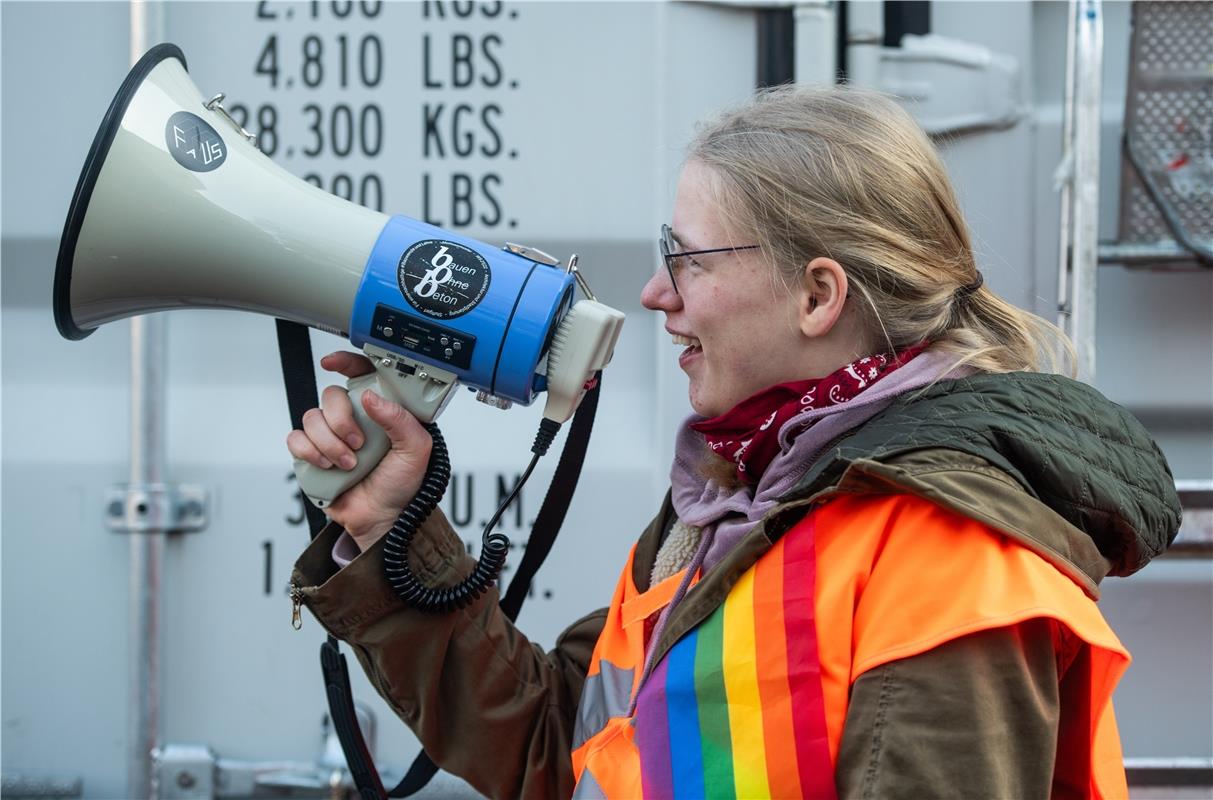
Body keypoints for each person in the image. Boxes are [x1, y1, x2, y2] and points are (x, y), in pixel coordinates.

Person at [287, 85, 1180, 799]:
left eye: (687, 259)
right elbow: (569, 750)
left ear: (817, 296)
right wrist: (394, 526)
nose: (653, 294)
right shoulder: (739, 491)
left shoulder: (945, 550)